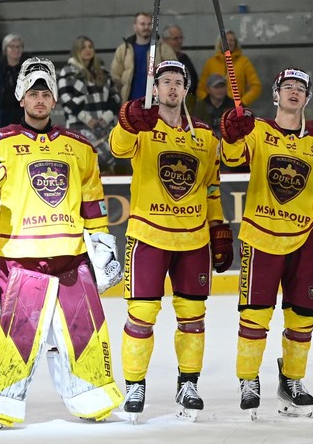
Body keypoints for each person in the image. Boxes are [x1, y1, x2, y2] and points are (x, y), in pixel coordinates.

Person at [0, 58, 123, 427]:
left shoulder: (79, 147)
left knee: (86, 331)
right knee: (16, 335)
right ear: (22, 98)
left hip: (70, 255)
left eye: (45, 93)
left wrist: (100, 244)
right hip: (18, 255)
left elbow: (92, 201)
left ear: (54, 101)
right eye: (33, 93)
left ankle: (92, 399)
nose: (39, 99)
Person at [219, 68, 313, 418]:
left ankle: (292, 380)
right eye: (287, 87)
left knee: (302, 316)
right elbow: (230, 158)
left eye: (300, 88)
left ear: (307, 98)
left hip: (306, 239)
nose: (294, 92)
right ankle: (248, 380)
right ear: (276, 95)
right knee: (255, 315)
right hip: (261, 235)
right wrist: (230, 133)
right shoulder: (256, 129)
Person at [108, 60, 224, 422]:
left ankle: (187, 384)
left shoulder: (204, 135)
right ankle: (134, 385)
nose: (172, 87)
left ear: (187, 90)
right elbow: (116, 148)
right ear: (154, 89)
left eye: (178, 82)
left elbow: (211, 186)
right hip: (148, 236)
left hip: (193, 239)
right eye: (165, 82)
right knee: (141, 315)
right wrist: (129, 119)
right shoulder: (143, 125)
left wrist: (218, 227)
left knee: (193, 316)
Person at [57, 36, 120, 171]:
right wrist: (86, 118)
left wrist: (106, 117)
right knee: (84, 166)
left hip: (104, 126)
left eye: (90, 47)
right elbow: (65, 98)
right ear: (76, 50)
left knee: (107, 165)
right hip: (78, 126)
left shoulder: (103, 72)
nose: (88, 50)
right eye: (83, 47)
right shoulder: (67, 72)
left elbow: (115, 97)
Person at [110, 11, 176, 103]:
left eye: (149, 24)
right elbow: (115, 76)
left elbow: (175, 73)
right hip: (131, 104)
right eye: (142, 24)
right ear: (135, 26)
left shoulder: (163, 49)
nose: (146, 27)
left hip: (157, 104)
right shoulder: (123, 50)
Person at [196, 31, 261, 105]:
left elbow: (256, 86)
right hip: (213, 108)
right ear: (219, 43)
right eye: (225, 40)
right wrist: (208, 101)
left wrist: (242, 102)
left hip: (236, 109)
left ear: (236, 43)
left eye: (232, 40)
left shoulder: (244, 62)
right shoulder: (210, 62)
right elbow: (201, 88)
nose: (228, 43)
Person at [162, 24, 199, 101]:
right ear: (165, 40)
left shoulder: (184, 58)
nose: (179, 41)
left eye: (181, 38)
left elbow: (193, 81)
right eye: (175, 38)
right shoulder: (159, 59)